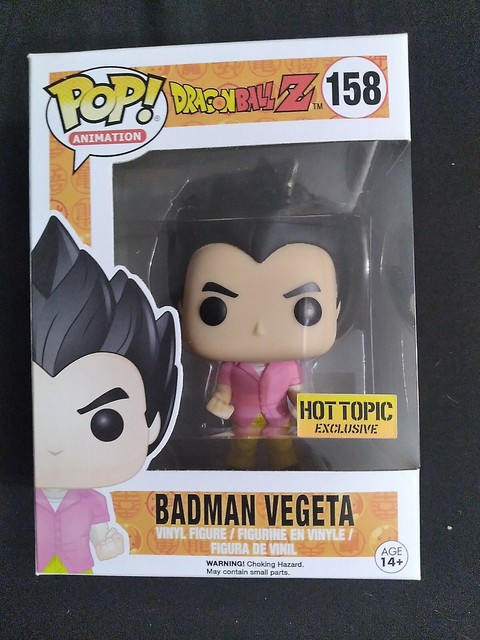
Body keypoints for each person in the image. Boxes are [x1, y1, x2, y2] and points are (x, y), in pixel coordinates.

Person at [32, 216, 180, 572]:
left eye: (106, 422)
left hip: (81, 571)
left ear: (152, 424)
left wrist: (109, 545)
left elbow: (102, 537)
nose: (56, 445)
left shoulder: (93, 501)